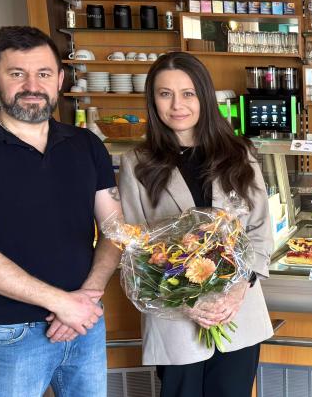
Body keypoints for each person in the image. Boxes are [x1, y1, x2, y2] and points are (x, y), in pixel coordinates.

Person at [0, 26, 122, 397]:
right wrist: (63, 304)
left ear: (60, 79)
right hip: (11, 332)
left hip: (85, 321)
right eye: (17, 73)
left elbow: (115, 229)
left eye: (44, 73)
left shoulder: (86, 144)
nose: (32, 85)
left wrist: (87, 296)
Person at [117, 52, 274, 397]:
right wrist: (189, 303)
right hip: (175, 320)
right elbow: (137, 250)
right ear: (152, 100)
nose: (177, 105)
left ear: (204, 96)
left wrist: (236, 291)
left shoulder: (239, 154)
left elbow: (261, 231)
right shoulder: (137, 164)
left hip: (238, 315)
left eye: (188, 93)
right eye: (165, 94)